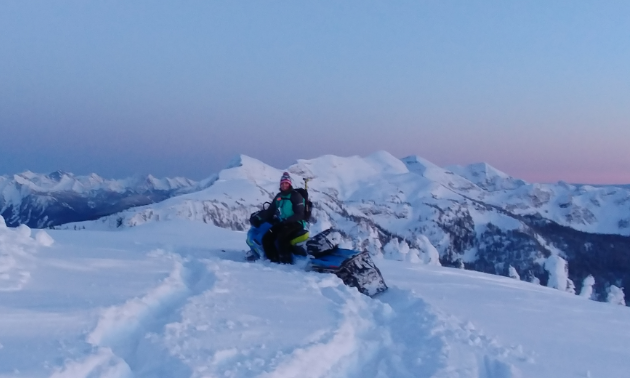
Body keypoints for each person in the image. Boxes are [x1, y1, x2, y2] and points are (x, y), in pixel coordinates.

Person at [252, 172, 307, 263]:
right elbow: (271, 210)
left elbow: (300, 214)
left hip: (296, 223)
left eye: (286, 183)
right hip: (283, 223)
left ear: (289, 184)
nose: (284, 185)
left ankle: (286, 262)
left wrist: (287, 221)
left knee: (282, 237)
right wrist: (259, 217)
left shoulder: (295, 196)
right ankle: (273, 260)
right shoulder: (279, 196)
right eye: (282, 183)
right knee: (267, 237)